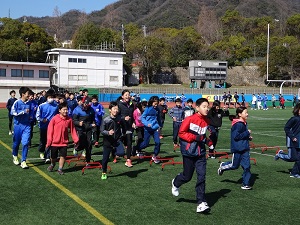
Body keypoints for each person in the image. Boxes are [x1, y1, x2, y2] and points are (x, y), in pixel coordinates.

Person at [171, 98, 213, 213]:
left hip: (201, 153)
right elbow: (181, 133)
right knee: (187, 176)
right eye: (204, 106)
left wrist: (208, 141)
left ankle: (201, 202)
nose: (206, 108)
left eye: (207, 106)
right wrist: (195, 137)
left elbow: (203, 136)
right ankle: (176, 182)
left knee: (201, 176)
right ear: (197, 107)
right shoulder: (189, 119)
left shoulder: (206, 121)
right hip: (189, 152)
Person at [218, 106, 253, 190]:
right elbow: (236, 136)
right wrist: (247, 133)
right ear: (240, 114)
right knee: (234, 166)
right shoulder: (238, 125)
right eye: (245, 113)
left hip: (245, 148)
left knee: (247, 166)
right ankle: (223, 166)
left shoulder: (244, 123)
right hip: (238, 148)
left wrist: (248, 137)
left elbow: (242, 135)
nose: (247, 114)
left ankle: (245, 184)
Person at [46, 102, 79, 175]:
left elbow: (73, 130)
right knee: (53, 157)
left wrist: (76, 140)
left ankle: (60, 169)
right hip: (54, 142)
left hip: (64, 142)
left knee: (63, 156)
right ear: (59, 110)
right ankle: (52, 164)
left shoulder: (69, 120)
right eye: (64, 110)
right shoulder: (54, 119)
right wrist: (49, 141)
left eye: (67, 110)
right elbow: (50, 130)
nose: (66, 111)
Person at [275, 103, 300, 178]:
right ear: (298, 110)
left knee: (299, 159)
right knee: (292, 158)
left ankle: (294, 173)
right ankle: (280, 154)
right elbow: (286, 128)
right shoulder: (294, 119)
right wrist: (292, 137)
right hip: (292, 141)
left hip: (299, 141)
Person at [135, 96, 162, 164]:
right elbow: (142, 118)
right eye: (155, 104)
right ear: (151, 102)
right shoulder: (147, 109)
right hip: (148, 129)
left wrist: (160, 125)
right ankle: (136, 148)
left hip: (155, 128)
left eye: (157, 104)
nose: (156, 105)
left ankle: (155, 155)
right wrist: (147, 124)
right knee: (145, 144)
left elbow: (158, 117)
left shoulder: (157, 109)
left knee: (158, 142)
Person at [101, 101, 124, 179]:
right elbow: (102, 131)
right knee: (105, 159)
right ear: (110, 110)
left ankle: (114, 154)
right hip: (108, 141)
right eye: (114, 109)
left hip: (117, 140)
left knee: (121, 153)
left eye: (117, 109)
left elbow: (123, 123)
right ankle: (104, 172)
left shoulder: (119, 118)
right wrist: (108, 132)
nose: (116, 111)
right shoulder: (106, 120)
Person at [11, 87, 32, 169]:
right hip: (18, 126)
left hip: (27, 126)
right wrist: (22, 112)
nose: (29, 95)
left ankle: (23, 161)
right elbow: (13, 112)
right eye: (28, 94)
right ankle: (15, 156)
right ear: (23, 94)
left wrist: (31, 117)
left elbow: (32, 112)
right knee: (16, 143)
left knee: (26, 143)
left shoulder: (30, 103)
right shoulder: (17, 102)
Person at [36, 90, 58, 162]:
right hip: (43, 126)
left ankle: (48, 156)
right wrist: (42, 120)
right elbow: (37, 116)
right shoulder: (41, 106)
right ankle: (41, 151)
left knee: (50, 141)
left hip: (53, 127)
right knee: (43, 141)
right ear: (46, 97)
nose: (50, 98)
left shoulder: (56, 106)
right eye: (49, 97)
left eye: (52, 97)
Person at [72, 96, 96, 164]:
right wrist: (78, 123)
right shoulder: (77, 109)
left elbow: (93, 119)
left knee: (89, 145)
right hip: (80, 129)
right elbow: (73, 120)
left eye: (88, 105)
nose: (86, 106)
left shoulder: (91, 110)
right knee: (81, 144)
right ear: (82, 103)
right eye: (85, 104)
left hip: (88, 129)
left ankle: (88, 160)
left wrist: (94, 125)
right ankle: (77, 148)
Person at [118, 89, 136, 167]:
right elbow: (116, 115)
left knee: (129, 142)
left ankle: (128, 159)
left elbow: (134, 115)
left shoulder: (132, 104)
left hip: (129, 126)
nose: (128, 96)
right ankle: (114, 154)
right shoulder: (119, 104)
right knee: (119, 140)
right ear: (122, 96)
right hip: (121, 126)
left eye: (128, 94)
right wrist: (123, 118)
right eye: (126, 95)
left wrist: (134, 122)